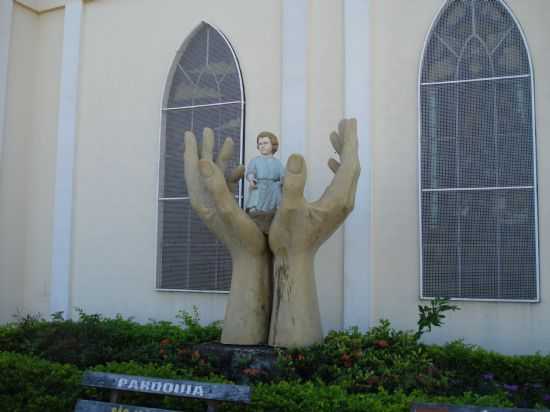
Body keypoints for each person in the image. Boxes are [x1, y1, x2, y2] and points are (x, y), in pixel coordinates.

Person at [245, 132, 284, 213]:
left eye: (265, 143)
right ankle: (254, 210)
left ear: (273, 145)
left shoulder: (277, 163)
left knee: (277, 190)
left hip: (273, 188)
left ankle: (276, 209)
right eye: (260, 144)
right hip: (259, 185)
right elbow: (250, 172)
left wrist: (282, 182)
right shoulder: (255, 160)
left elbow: (282, 176)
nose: (262, 146)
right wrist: (251, 180)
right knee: (256, 191)